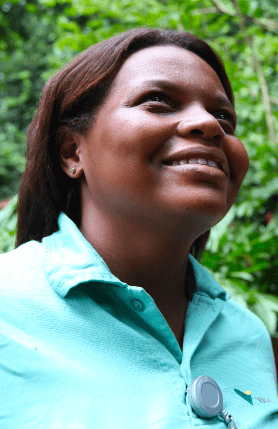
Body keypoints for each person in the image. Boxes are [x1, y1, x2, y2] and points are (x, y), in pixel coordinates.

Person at [0, 27, 277, 428]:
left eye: (223, 117)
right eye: (158, 102)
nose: (209, 125)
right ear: (72, 152)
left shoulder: (247, 334)